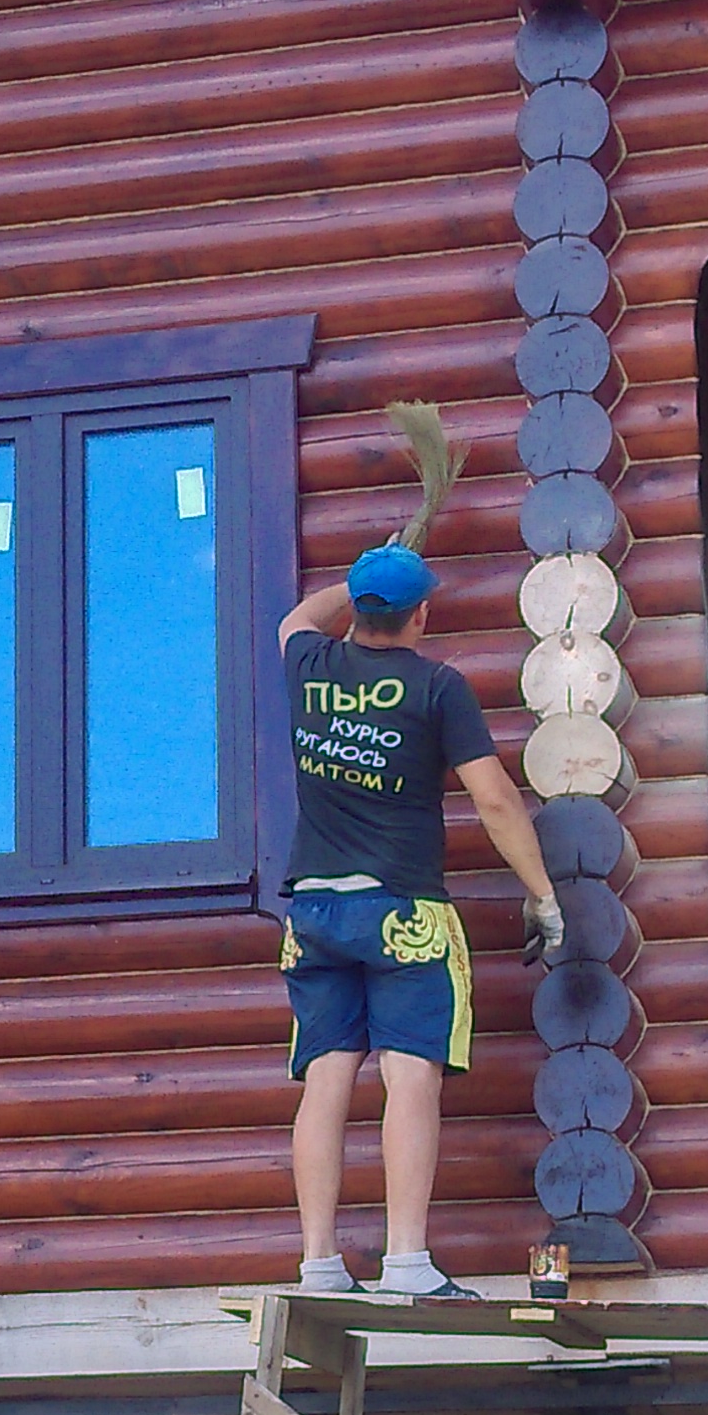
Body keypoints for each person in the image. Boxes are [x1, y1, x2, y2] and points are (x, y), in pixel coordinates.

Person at [278, 536, 563, 1301]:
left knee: (326, 1077)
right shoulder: (438, 688)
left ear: (356, 610)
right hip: (403, 910)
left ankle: (319, 1265)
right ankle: (405, 1262)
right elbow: (494, 799)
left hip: (314, 910)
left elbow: (297, 618)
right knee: (408, 1075)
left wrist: (357, 580)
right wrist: (541, 893)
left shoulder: (308, 665)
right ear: (421, 616)